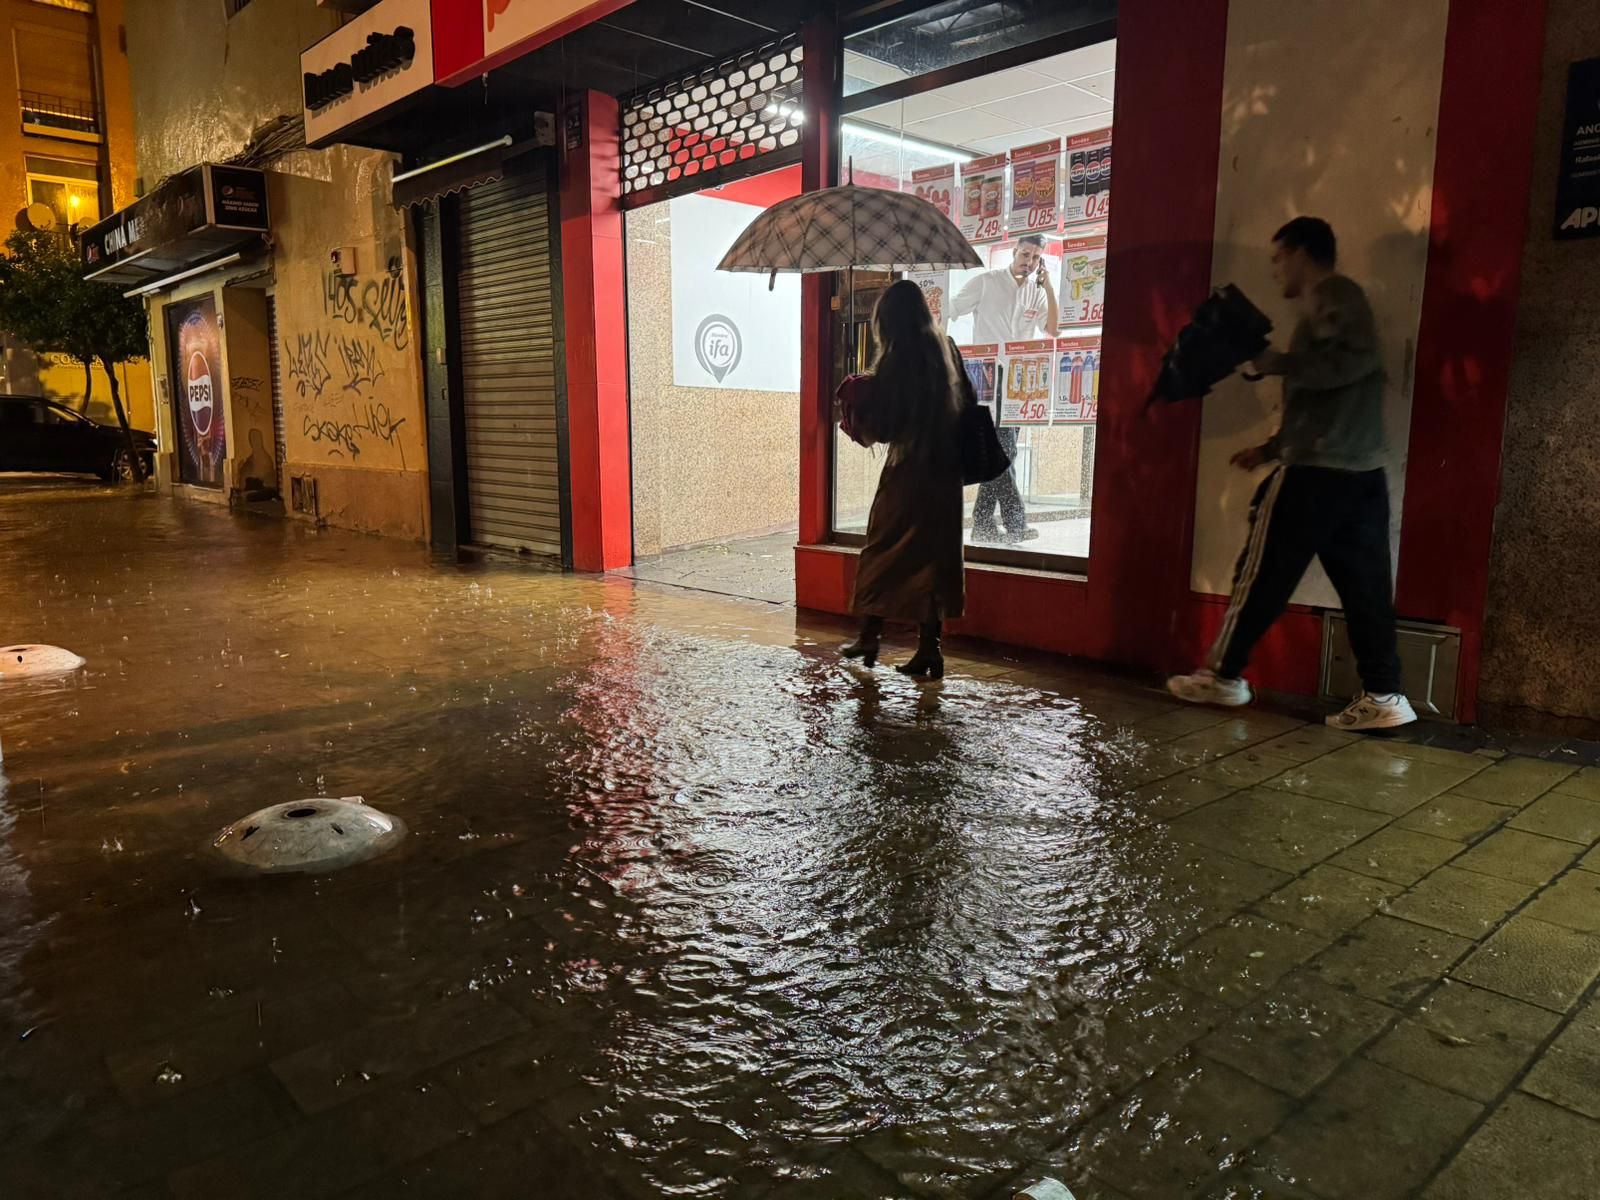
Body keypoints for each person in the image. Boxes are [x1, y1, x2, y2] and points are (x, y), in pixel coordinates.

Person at [1167, 216, 1417, 731]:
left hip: (1318, 471)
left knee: (1260, 575)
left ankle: (1223, 675)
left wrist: (1275, 361)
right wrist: (1270, 447)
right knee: (1365, 586)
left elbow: (1347, 366)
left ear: (1303, 253)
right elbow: (1329, 396)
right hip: (1358, 470)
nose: (1275, 269)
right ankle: (1385, 693)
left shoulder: (1336, 296)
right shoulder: (1337, 304)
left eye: (1279, 258)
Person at [837, 279, 966, 680]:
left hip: (909, 470)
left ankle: (870, 636)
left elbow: (888, 428)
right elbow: (969, 401)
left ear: (887, 320)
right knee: (934, 560)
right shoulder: (948, 348)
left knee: (882, 550)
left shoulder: (897, 360)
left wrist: (863, 400)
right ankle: (930, 650)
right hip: (946, 471)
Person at [949, 233, 1059, 543]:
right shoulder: (987, 282)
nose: (1029, 261)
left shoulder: (1036, 294)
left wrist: (1048, 287)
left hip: (1019, 384)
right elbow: (952, 309)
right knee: (1004, 451)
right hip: (987, 380)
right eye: (1025, 254)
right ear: (1014, 251)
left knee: (1002, 453)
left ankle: (983, 523)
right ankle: (1015, 523)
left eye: (1036, 257)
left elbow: (1052, 328)